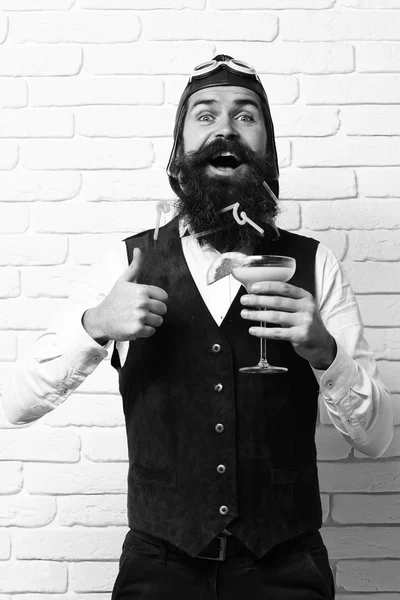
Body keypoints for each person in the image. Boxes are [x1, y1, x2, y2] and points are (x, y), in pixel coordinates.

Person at [3, 55, 393, 600]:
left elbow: (376, 440)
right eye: (205, 116)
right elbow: (15, 405)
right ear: (180, 148)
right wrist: (95, 327)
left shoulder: (314, 263)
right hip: (159, 567)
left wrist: (325, 351)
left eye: (246, 115)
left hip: (286, 567)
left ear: (267, 147)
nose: (226, 129)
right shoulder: (128, 263)